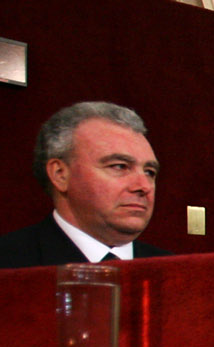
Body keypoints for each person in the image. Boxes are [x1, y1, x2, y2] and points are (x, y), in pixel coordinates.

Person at [0, 101, 170, 267]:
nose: (143, 186)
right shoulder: (10, 262)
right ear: (60, 174)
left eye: (149, 172)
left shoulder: (174, 270)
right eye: (120, 166)